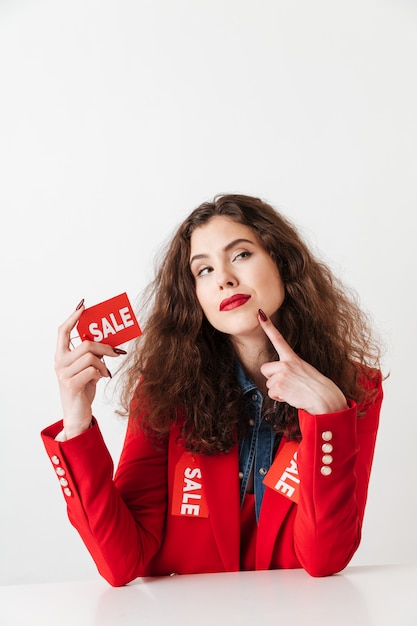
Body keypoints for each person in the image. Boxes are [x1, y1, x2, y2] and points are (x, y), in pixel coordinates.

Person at [41, 194, 384, 587]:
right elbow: (121, 563)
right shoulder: (164, 391)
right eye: (203, 270)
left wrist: (328, 419)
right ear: (194, 297)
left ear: (283, 263)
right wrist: (77, 423)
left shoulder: (354, 388)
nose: (223, 278)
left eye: (240, 255)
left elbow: (324, 559)